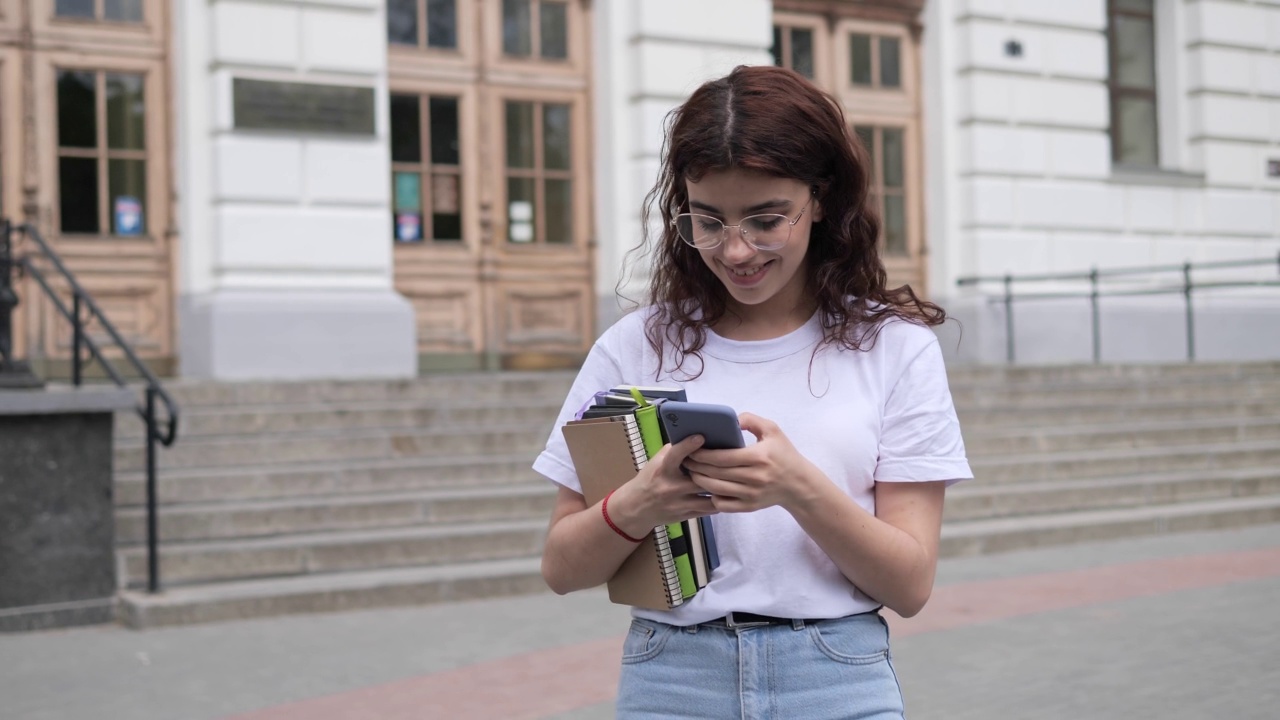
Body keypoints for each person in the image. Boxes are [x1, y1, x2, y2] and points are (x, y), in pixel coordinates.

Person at [532, 65, 972, 719]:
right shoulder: (634, 346)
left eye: (767, 220)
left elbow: (909, 585)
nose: (736, 251)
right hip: (672, 680)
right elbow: (562, 569)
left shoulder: (894, 349)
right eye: (706, 221)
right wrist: (640, 502)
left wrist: (797, 487)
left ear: (820, 200)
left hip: (836, 678)